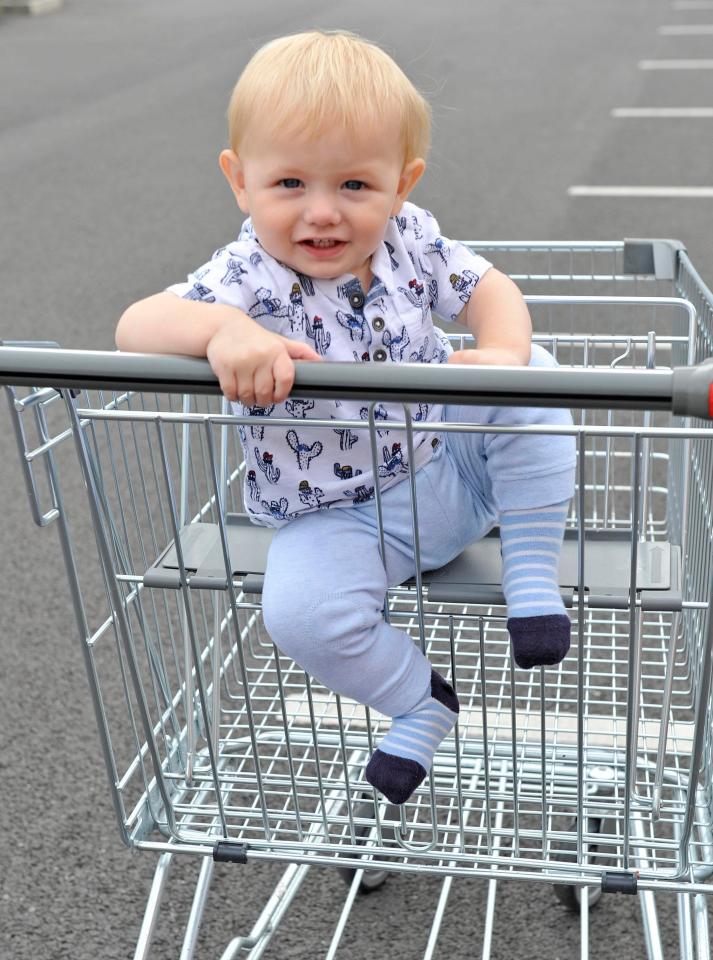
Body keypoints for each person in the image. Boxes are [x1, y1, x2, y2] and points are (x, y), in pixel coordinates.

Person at [116, 30, 576, 805]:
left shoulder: (410, 241)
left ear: (402, 183)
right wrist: (226, 332)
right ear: (239, 180)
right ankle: (418, 704)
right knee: (297, 615)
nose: (322, 213)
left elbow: (488, 288)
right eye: (290, 182)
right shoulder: (243, 276)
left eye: (355, 186)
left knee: (535, 377)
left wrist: (499, 350)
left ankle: (530, 574)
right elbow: (138, 324)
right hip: (335, 521)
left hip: (448, 466)